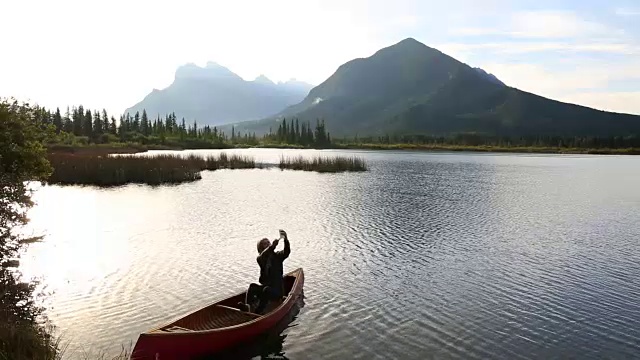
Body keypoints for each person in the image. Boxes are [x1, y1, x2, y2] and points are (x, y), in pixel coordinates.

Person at [238, 230, 291, 314]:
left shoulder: (277, 256)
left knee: (266, 290)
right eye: (265, 243)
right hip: (266, 288)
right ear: (260, 248)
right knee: (252, 286)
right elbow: (265, 254)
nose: (268, 244)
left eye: (268, 242)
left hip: (277, 292)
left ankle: (258, 312)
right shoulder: (260, 259)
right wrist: (272, 246)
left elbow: (286, 252)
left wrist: (286, 240)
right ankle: (247, 306)